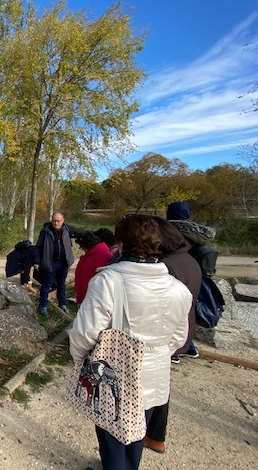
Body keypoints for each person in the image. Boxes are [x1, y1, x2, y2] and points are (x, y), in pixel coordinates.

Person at [69, 214, 191, 470]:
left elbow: (84, 333)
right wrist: (156, 353)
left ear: (121, 245)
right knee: (137, 433)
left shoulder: (107, 282)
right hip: (156, 374)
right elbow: (179, 338)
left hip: (117, 373)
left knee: (112, 436)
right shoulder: (179, 288)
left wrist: (80, 359)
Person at [143, 217, 202, 454]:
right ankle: (155, 435)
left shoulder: (166, 267)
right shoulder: (188, 260)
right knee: (160, 382)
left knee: (151, 387)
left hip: (164, 333)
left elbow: (157, 304)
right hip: (180, 329)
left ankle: (147, 434)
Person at [166, 201, 216, 361]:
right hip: (195, 273)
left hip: (175, 271)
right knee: (189, 310)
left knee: (172, 311)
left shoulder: (168, 231)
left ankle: (175, 350)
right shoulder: (198, 232)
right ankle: (189, 347)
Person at [34, 212, 87, 316]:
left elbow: (81, 232)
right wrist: (37, 261)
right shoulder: (45, 231)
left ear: (63, 220)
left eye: (58, 221)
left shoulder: (67, 229)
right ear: (51, 220)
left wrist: (95, 234)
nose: (56, 223)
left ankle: (62, 304)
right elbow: (38, 247)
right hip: (50, 263)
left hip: (63, 263)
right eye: (54, 220)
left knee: (61, 285)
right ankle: (43, 306)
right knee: (46, 285)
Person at [74, 232, 112, 305]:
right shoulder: (90, 255)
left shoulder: (102, 256)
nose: (82, 249)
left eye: (81, 247)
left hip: (94, 299)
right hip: (87, 296)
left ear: (86, 245)